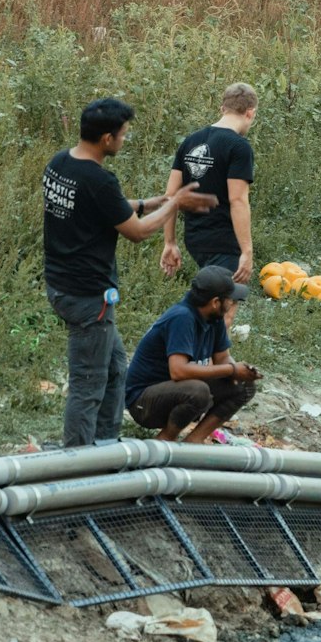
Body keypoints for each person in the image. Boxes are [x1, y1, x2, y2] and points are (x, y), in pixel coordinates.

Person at [43, 97, 217, 448]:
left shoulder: (61, 163)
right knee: (88, 382)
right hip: (89, 296)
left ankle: (106, 445)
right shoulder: (99, 179)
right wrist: (174, 204)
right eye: (123, 135)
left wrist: (152, 202)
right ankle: (77, 461)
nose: (124, 140)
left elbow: (105, 208)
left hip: (62, 285)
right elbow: (136, 232)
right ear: (107, 138)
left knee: (115, 369)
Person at [124, 265, 262, 442]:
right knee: (197, 391)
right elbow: (179, 371)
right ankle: (166, 439)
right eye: (230, 299)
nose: (232, 304)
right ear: (215, 302)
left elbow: (222, 358)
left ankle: (194, 441)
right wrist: (231, 370)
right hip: (144, 403)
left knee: (243, 385)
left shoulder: (214, 317)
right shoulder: (182, 318)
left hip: (176, 390)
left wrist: (237, 372)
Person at [160, 82, 258, 284]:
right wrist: (247, 251)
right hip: (224, 243)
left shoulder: (190, 141)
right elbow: (238, 200)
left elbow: (170, 196)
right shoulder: (239, 147)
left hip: (195, 240)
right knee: (225, 310)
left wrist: (169, 242)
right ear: (250, 113)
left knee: (211, 303)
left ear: (223, 109)